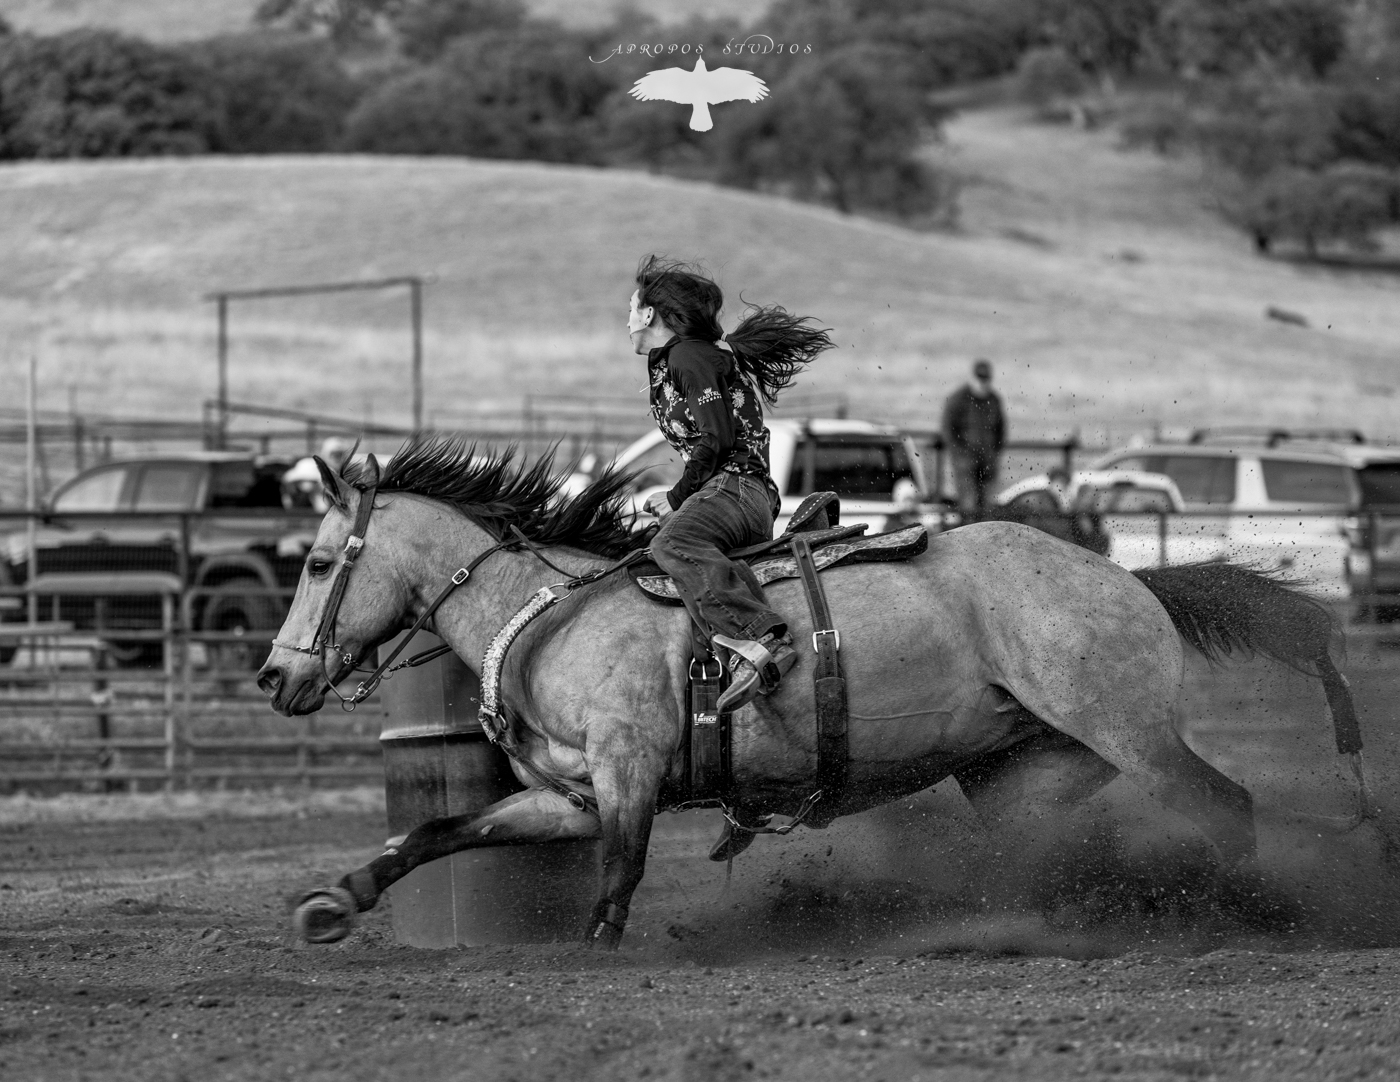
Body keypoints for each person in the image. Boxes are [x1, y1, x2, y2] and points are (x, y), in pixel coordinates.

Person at [629, 255, 834, 712]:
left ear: (648, 314)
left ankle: (762, 640)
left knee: (674, 546)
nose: (627, 319)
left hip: (736, 490)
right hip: (738, 494)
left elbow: (716, 438)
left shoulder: (688, 356)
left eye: (630, 308)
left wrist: (676, 498)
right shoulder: (682, 358)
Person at [941, 358, 1007, 518]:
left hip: (988, 462)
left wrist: (994, 453)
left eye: (986, 379)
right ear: (973, 377)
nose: (983, 383)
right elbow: (948, 430)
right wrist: (961, 456)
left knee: (988, 508)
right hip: (965, 464)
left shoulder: (994, 400)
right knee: (968, 506)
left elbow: (1001, 429)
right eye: (980, 379)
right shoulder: (957, 399)